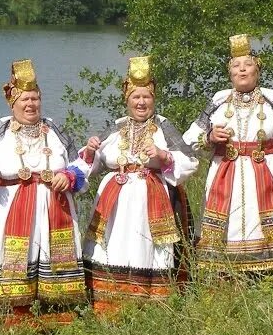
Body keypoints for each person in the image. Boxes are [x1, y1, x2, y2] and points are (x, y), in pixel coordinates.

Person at [0, 59, 91, 329]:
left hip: (54, 210)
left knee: (54, 263)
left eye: (34, 98)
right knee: (14, 266)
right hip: (12, 210)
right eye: (24, 99)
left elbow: (80, 164)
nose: (30, 104)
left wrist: (68, 176)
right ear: (12, 102)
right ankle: (12, 326)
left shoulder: (54, 128)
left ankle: (59, 324)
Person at [182, 34, 273, 278]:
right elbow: (189, 139)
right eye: (235, 65)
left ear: (258, 69)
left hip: (267, 173)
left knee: (265, 226)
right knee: (229, 223)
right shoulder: (218, 101)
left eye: (248, 64)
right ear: (229, 73)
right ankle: (225, 275)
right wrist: (210, 137)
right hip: (225, 174)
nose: (242, 69)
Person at [78, 56, 199, 314]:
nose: (141, 102)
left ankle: (151, 304)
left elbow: (189, 161)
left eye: (146, 97)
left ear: (153, 99)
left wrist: (163, 156)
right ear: (127, 99)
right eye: (136, 97)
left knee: (147, 247)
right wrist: (89, 151)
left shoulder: (164, 127)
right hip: (115, 205)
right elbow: (95, 162)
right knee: (113, 246)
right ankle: (108, 304)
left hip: (151, 200)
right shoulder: (116, 127)